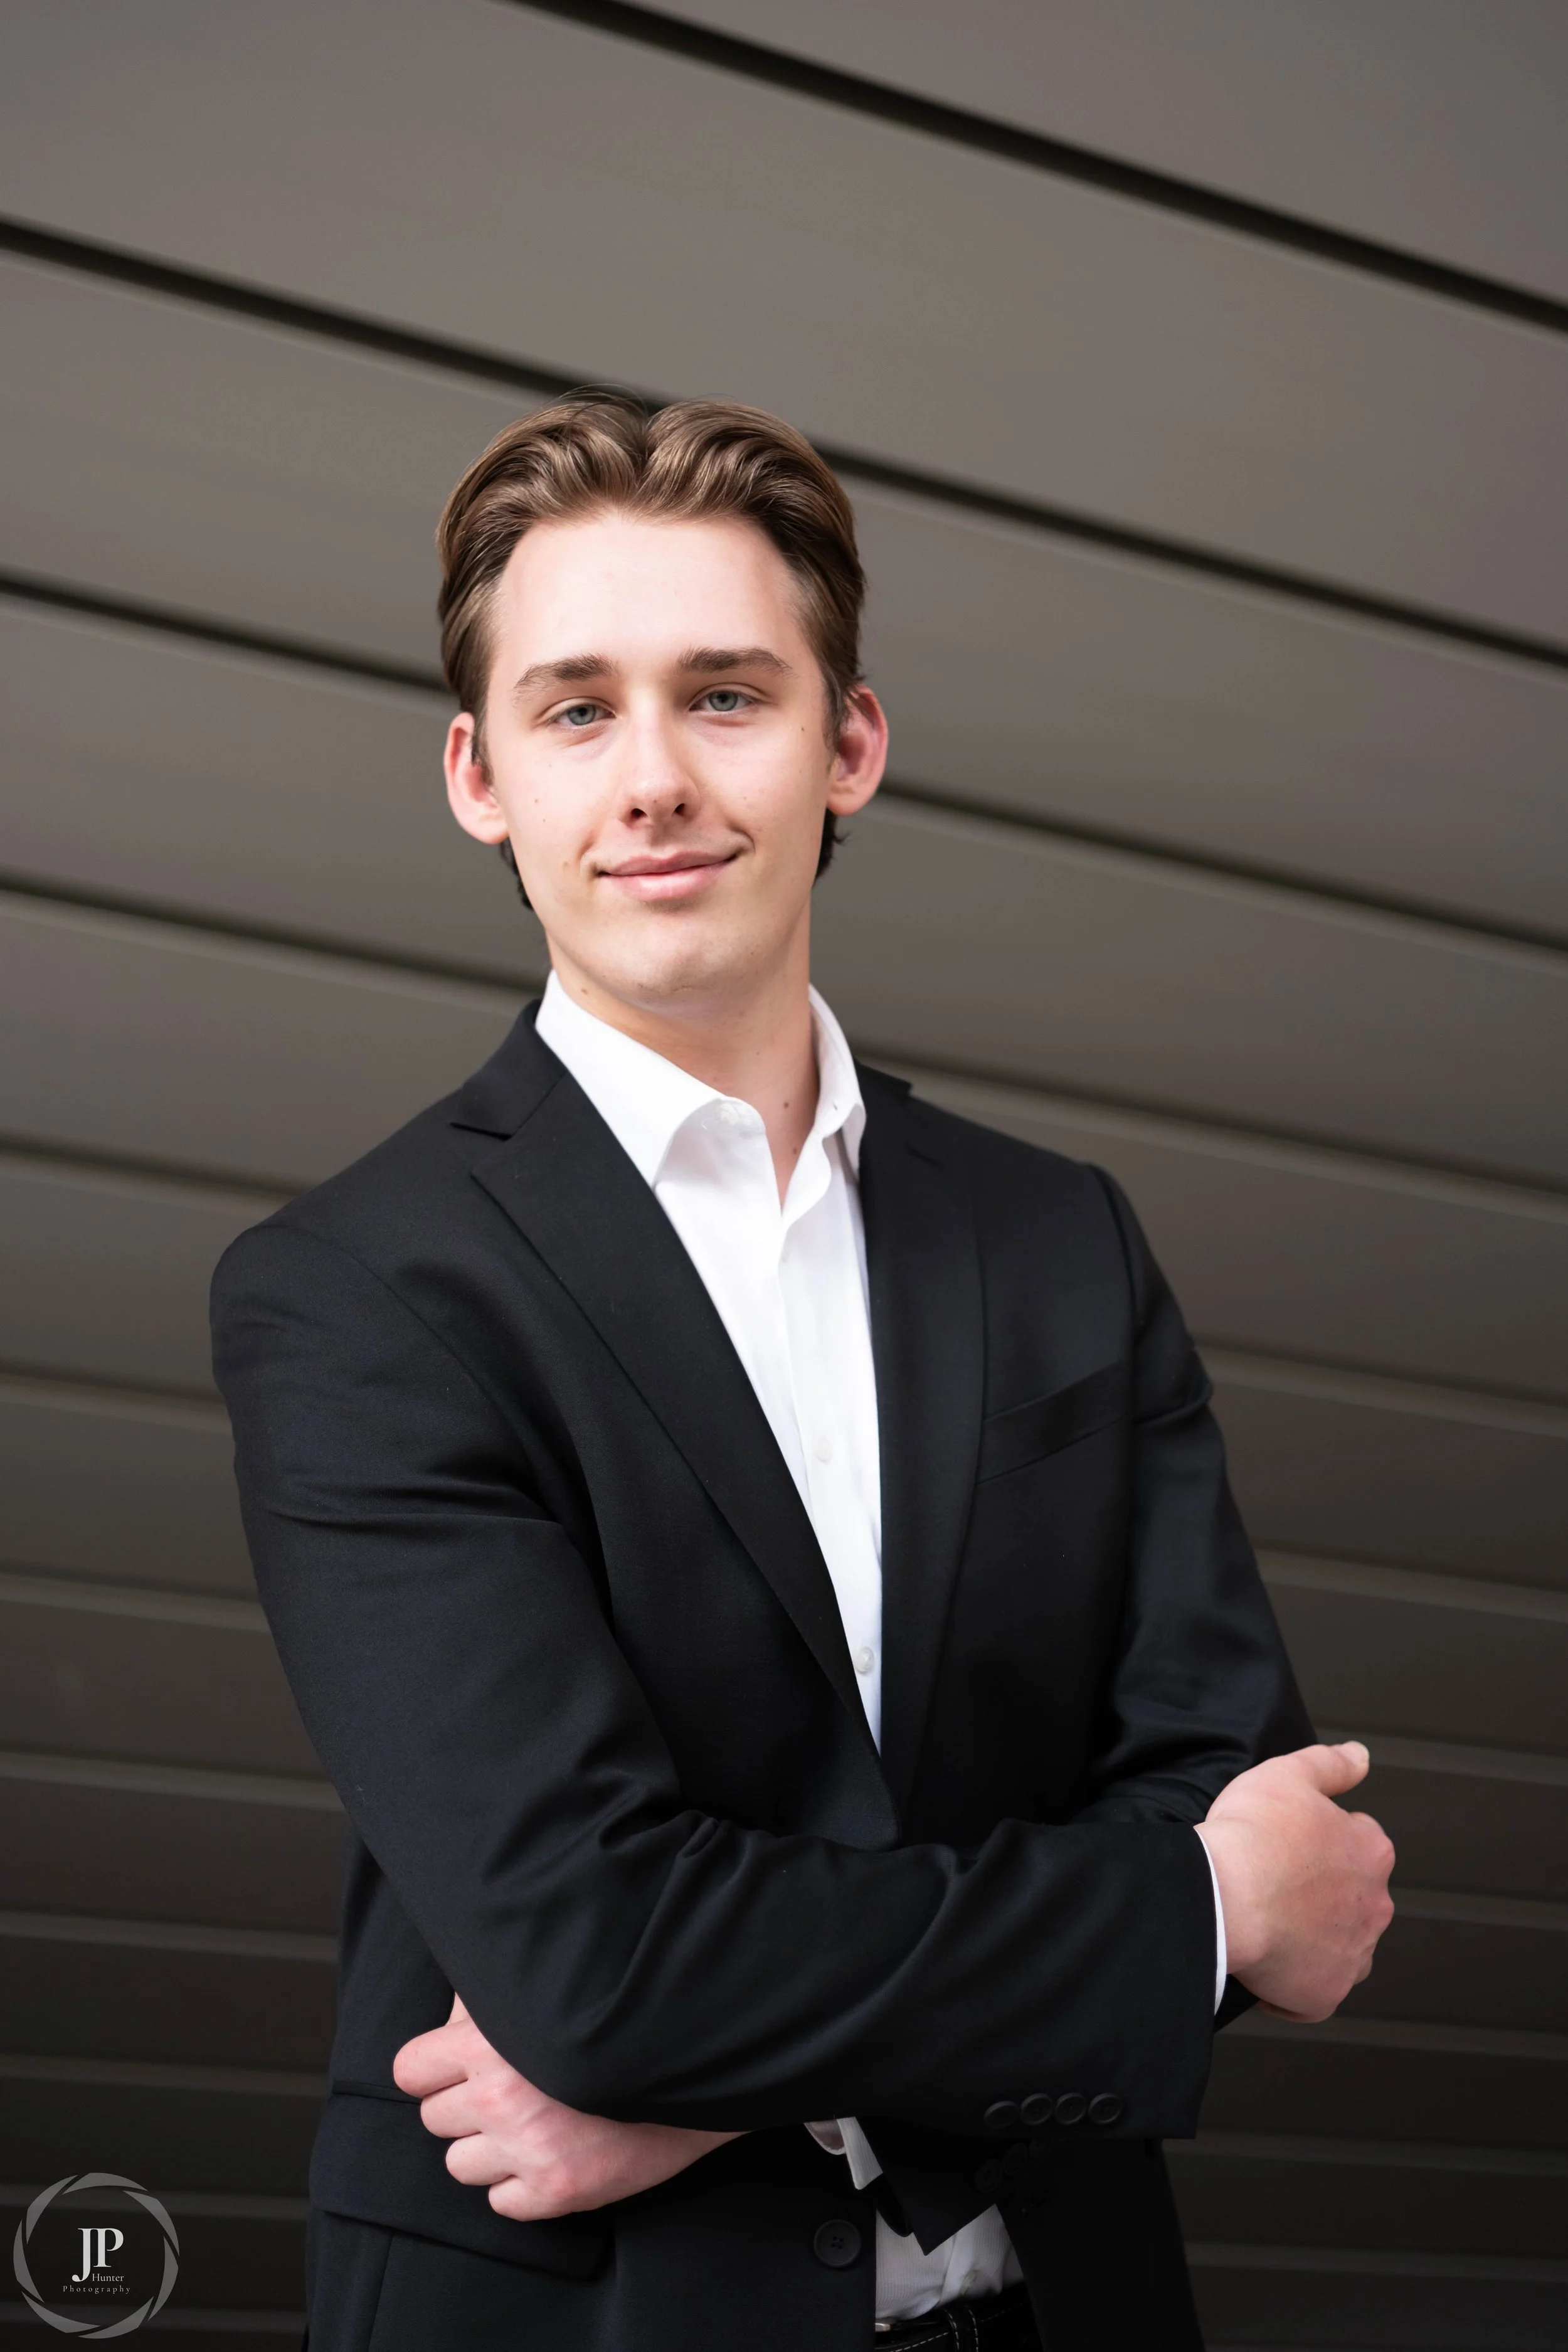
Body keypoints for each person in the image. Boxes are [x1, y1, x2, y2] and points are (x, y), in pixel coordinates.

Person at [211, 395, 1394, 2351]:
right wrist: (1176, 1915)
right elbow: (593, 1953)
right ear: (478, 776)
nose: (654, 776)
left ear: (848, 741)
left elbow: (1236, 1789)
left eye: (727, 694)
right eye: (577, 707)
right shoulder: (354, 1294)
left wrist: (712, 2083)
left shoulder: (1054, 1235)